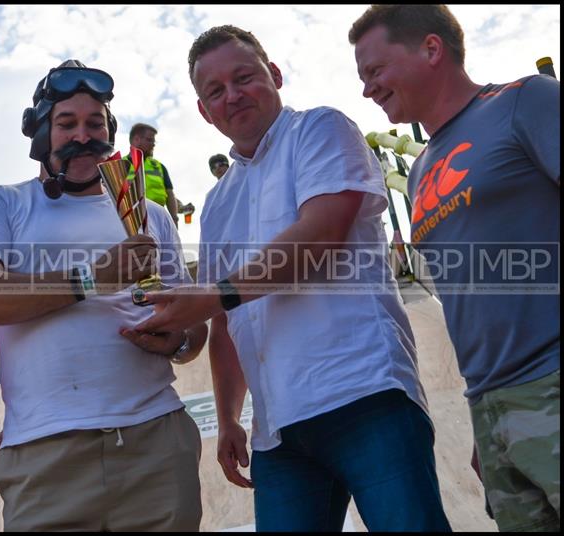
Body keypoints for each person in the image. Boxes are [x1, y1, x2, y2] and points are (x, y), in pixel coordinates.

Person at [134, 25, 452, 532]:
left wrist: (211, 296)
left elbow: (319, 235)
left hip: (364, 396)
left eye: (244, 78)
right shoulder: (217, 203)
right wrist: (230, 417)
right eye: (214, 91)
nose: (232, 96)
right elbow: (225, 321)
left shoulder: (322, 129)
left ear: (275, 75)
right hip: (278, 432)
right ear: (203, 111)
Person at [0, 60, 207, 532]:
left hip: (156, 442)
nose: (84, 136)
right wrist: (92, 279)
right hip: (46, 458)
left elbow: (193, 327)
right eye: (67, 124)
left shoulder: (150, 216)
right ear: (41, 132)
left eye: (95, 124)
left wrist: (180, 341)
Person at [350, 5, 560, 532]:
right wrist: (483, 417)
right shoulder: (419, 169)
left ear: (430, 48)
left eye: (375, 71)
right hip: (493, 409)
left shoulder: (524, 100)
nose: (368, 90)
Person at [125, 123, 180, 226]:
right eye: (150, 140)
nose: (153, 144)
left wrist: (174, 219)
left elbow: (170, 194)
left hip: (159, 220)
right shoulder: (119, 166)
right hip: (131, 221)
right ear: (136, 140)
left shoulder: (159, 167)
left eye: (154, 141)